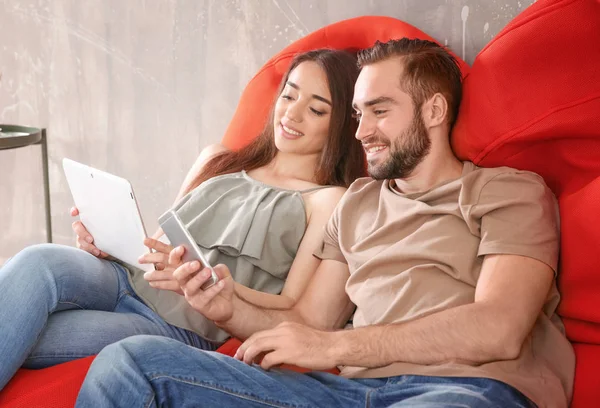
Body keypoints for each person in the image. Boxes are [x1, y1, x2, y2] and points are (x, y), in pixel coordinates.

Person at [75, 38, 575, 408]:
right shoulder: (357, 203)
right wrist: (226, 307)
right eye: (358, 114)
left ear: (435, 110)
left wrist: (336, 345)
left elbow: (500, 326)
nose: (362, 132)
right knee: (131, 361)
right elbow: (309, 323)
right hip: (347, 393)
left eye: (380, 111)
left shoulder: (508, 191)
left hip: (461, 392)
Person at [0, 49, 366, 391]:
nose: (291, 114)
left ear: (343, 125)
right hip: (125, 280)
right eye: (289, 95)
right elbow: (161, 247)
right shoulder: (218, 160)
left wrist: (213, 285)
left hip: (178, 324)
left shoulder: (327, 201)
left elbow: (293, 307)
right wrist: (108, 242)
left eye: (316, 110)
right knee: (37, 260)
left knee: (22, 330)